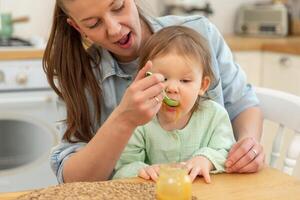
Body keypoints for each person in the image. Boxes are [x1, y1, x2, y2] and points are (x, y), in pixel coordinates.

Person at [45, 0, 264, 183]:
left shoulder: (199, 33)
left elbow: (242, 103)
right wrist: (124, 119)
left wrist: (247, 147)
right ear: (77, 27)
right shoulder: (77, 75)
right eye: (93, 24)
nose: (114, 29)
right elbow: (73, 179)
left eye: (118, 6)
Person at [112, 26, 236, 183]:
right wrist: (142, 170)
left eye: (184, 81)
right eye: (163, 79)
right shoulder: (140, 121)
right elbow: (122, 168)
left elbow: (227, 152)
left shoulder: (215, 115)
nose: (171, 88)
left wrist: (206, 159)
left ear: (203, 86)